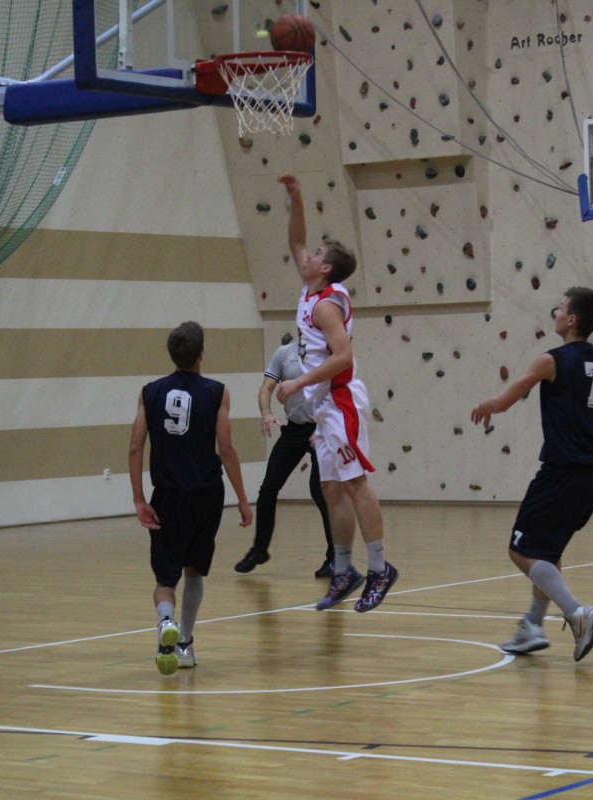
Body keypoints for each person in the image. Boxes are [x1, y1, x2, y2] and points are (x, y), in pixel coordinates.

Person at [472, 288, 593, 662]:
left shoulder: (551, 360)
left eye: (561, 308)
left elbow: (505, 401)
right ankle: (532, 626)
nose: (556, 312)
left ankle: (577, 613)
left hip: (560, 474)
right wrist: (588, 437)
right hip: (591, 477)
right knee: (547, 552)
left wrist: (486, 405)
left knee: (520, 550)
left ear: (571, 320)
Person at [276, 173, 397, 613]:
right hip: (325, 406)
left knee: (355, 481)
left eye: (317, 255)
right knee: (330, 487)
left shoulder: (326, 303)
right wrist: (296, 196)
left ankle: (380, 567)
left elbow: (343, 356)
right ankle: (343, 569)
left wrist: (298, 382)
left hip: (341, 399)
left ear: (325, 268)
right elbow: (296, 241)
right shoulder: (311, 288)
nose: (307, 255)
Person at [129, 321, 252, 674]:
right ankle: (184, 643)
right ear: (201, 354)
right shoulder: (217, 392)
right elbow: (226, 449)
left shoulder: (149, 392)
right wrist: (243, 499)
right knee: (195, 572)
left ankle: (165, 621)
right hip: (207, 495)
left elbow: (135, 447)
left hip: (168, 496)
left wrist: (139, 499)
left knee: (165, 581)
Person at [234, 341, 335, 578]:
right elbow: (266, 388)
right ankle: (259, 550)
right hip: (294, 429)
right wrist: (266, 413)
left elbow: (339, 393)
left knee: (320, 490)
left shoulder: (329, 351)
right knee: (268, 488)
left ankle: (335, 558)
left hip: (322, 429)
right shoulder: (284, 353)